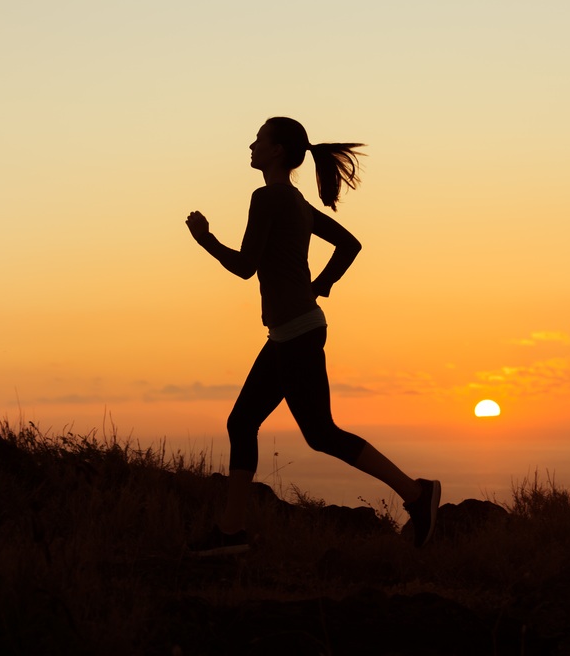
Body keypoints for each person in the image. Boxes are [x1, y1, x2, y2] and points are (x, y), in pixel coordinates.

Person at [184, 117, 440, 555]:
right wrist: (321, 284)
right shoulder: (294, 202)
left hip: (297, 334)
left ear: (278, 150)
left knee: (319, 433)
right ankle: (230, 532)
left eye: (260, 138)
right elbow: (350, 245)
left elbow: (246, 266)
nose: (251, 144)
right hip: (291, 333)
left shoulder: (268, 197)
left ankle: (417, 495)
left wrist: (204, 239)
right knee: (244, 422)